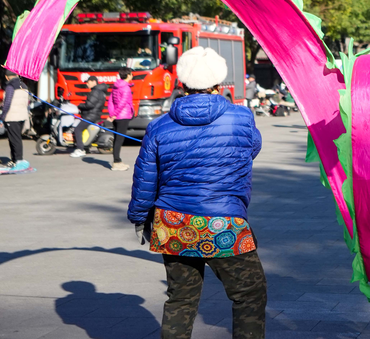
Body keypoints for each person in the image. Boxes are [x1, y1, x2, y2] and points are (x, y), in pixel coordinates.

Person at [128, 47, 266, 338]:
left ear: (181, 84)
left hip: (172, 223)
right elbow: (253, 148)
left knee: (181, 298)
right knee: (249, 294)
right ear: (219, 84)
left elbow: (145, 178)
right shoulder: (241, 117)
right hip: (223, 222)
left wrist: (139, 217)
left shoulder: (158, 126)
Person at [70, 76, 108, 158]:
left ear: (94, 81)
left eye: (88, 82)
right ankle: (85, 147)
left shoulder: (95, 91)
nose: (87, 84)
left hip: (91, 115)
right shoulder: (100, 91)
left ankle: (80, 149)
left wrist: (80, 105)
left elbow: (90, 105)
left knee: (78, 129)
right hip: (94, 114)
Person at [1, 70, 30, 171]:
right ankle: (15, 160)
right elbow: (27, 101)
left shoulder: (10, 86)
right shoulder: (24, 86)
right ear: (17, 75)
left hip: (12, 117)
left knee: (14, 140)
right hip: (22, 116)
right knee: (17, 138)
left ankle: (18, 161)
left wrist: (2, 118)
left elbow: (7, 103)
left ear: (7, 77)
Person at [107, 68, 134, 171]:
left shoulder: (116, 86)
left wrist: (112, 114)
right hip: (123, 116)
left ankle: (117, 160)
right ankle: (116, 162)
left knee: (116, 139)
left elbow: (110, 101)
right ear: (128, 75)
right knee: (119, 139)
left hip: (116, 117)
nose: (132, 76)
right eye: (131, 74)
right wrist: (114, 114)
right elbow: (122, 103)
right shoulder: (126, 88)